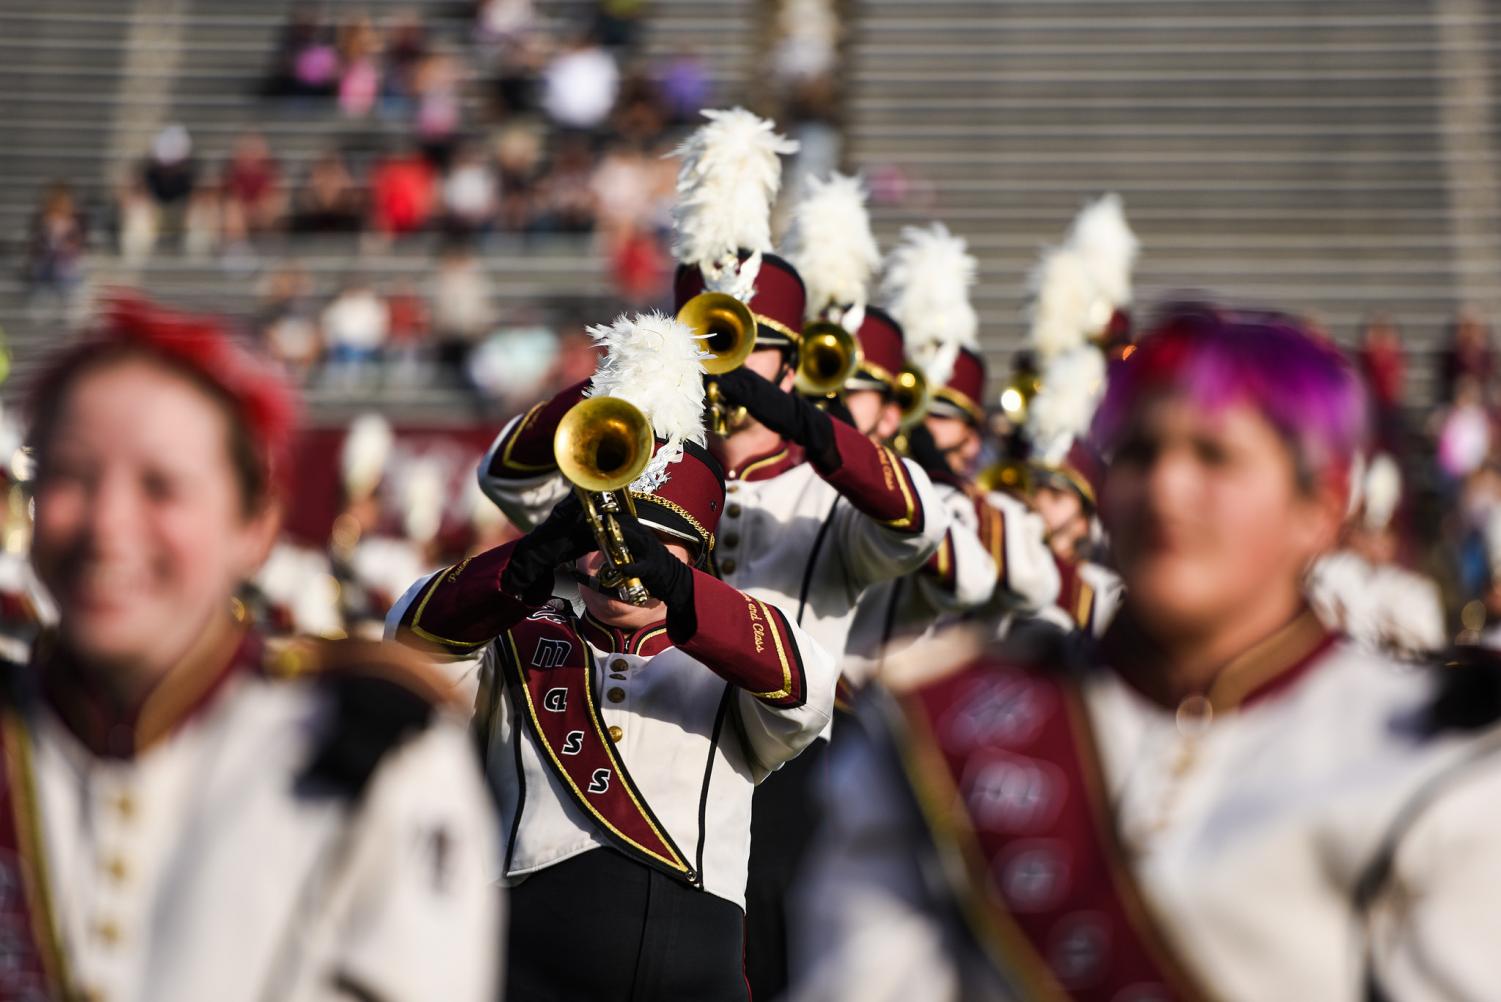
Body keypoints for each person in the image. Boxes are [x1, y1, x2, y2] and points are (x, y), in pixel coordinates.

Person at [790, 304, 1501, 1002]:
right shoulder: (939, 721)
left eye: (1213, 455)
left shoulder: (1425, 753)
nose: (1164, 488)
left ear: (1321, 504)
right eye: (1138, 453)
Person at [480, 109, 949, 998]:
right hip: (653, 756)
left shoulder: (821, 486)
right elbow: (508, 482)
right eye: (707, 340)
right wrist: (634, 374)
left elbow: (917, 521)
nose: (723, 366)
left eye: (747, 348)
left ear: (790, 360)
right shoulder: (633, 455)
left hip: (795, 749)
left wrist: (795, 418)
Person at [10, 294, 500, 1002]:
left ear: (256, 525)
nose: (107, 526)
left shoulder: (379, 751)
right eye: (69, 477)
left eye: (161, 487)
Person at [391, 312, 836, 999]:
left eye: (659, 545)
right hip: (524, 964)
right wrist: (524, 561)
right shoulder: (513, 639)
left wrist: (680, 590)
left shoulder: (730, 656)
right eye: (604, 536)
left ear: (696, 557)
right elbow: (409, 638)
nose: (622, 560)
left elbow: (808, 692)